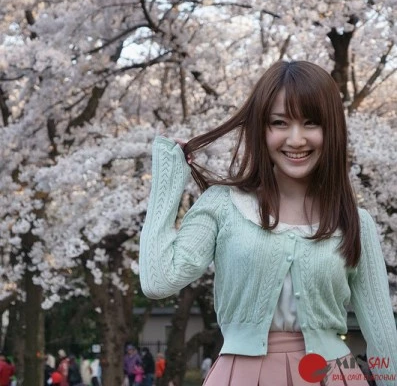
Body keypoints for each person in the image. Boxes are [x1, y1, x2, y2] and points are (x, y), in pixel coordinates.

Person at [139, 60, 397, 386]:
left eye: (311, 123)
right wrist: (168, 179)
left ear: (331, 129)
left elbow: (384, 339)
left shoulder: (355, 223)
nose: (296, 139)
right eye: (279, 123)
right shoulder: (224, 205)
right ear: (261, 128)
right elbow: (158, 280)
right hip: (239, 375)